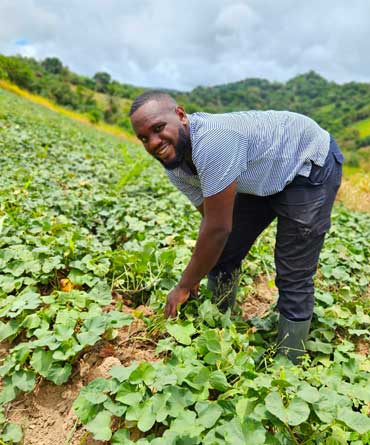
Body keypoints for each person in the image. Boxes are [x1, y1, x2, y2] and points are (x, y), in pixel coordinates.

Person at [129, 91, 343, 364]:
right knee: (223, 252)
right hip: (262, 172)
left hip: (306, 162)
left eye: (159, 129)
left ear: (181, 115)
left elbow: (218, 227)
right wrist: (208, 261)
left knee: (293, 271)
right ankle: (218, 325)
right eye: (144, 138)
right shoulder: (174, 164)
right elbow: (212, 220)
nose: (154, 143)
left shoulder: (214, 142)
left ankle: (289, 366)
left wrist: (185, 284)